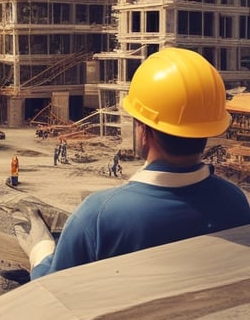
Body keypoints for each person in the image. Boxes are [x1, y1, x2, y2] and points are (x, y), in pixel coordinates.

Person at [15, 48, 250, 280]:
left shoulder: (99, 217)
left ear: (143, 130)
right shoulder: (235, 203)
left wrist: (41, 250)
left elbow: (52, 290)